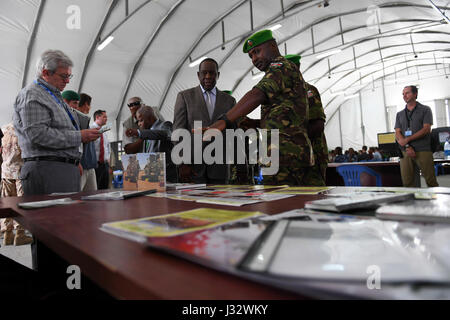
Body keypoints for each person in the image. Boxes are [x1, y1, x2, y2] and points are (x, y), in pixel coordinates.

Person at [201, 30, 314, 185]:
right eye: (251, 56)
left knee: (282, 204)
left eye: (257, 51)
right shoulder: (279, 71)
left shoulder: (281, 66)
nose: (254, 59)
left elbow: (257, 95)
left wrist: (223, 121)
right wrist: (255, 123)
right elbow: (285, 115)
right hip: (282, 154)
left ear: (273, 45)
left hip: (287, 156)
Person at [13, 49, 100, 196]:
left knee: (67, 218)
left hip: (60, 170)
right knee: (52, 218)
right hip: (48, 171)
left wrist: (72, 160)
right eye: (64, 76)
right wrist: (79, 137)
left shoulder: (52, 95)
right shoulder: (33, 94)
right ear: (46, 73)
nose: (67, 81)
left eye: (69, 76)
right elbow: (38, 135)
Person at [173, 58, 236, 184]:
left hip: (219, 167)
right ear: (198, 75)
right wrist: (182, 163)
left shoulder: (229, 101)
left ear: (218, 75)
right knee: (193, 203)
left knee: (220, 202)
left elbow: (234, 134)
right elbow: (178, 132)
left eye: (212, 73)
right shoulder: (185, 97)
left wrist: (238, 166)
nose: (208, 76)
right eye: (204, 73)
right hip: (192, 168)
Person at [284, 54, 328, 186]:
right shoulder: (281, 94)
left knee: (313, 195)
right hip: (289, 158)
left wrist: (288, 138)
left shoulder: (308, 91)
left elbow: (317, 125)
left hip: (311, 157)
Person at [395, 85, 438, 187]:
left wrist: (407, 139)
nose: (404, 96)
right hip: (405, 151)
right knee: (407, 183)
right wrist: (406, 146)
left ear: (415, 94)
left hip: (423, 149)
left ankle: (436, 201)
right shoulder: (399, 114)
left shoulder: (425, 109)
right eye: (403, 94)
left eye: (407, 93)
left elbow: (426, 129)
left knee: (431, 181)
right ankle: (413, 203)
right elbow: (397, 132)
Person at [1, 123, 33, 246]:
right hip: (20, 171)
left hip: (6, 171)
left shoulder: (4, 128)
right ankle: (20, 234)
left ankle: (7, 235)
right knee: (20, 203)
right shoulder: (24, 129)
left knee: (7, 202)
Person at [126, 106, 177, 182]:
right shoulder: (146, 134)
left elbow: (164, 134)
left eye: (141, 120)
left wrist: (139, 133)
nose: (139, 124)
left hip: (166, 176)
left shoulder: (165, 125)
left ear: (150, 118)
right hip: (153, 177)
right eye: (138, 122)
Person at [63, 91, 98, 191]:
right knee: (76, 196)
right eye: (74, 103)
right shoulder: (64, 120)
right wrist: (76, 162)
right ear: (65, 102)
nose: (76, 107)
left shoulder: (81, 119)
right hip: (79, 164)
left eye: (77, 103)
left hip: (89, 165)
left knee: (92, 199)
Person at [91, 109, 110, 189]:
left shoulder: (104, 131)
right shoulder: (90, 129)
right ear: (97, 117)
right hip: (95, 165)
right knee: (95, 189)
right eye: (104, 117)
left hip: (105, 165)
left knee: (105, 189)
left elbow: (107, 147)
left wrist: (108, 160)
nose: (106, 119)